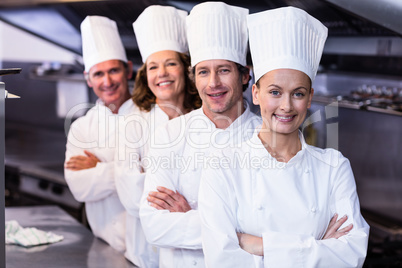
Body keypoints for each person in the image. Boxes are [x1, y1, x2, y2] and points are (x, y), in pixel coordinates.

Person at [198, 6, 370, 268]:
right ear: (255, 94)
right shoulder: (222, 165)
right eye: (275, 92)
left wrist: (260, 246)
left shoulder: (334, 167)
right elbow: (222, 260)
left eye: (298, 93)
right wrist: (319, 248)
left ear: (310, 97)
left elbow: (352, 255)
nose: (287, 106)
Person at [139, 2, 261, 267]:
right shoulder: (171, 133)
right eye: (204, 72)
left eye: (224, 70)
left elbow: (274, 226)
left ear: (245, 76)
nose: (213, 83)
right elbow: (154, 226)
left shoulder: (268, 137)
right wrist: (241, 234)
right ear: (194, 78)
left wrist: (190, 217)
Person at [114, 5, 201, 267]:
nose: (161, 73)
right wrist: (187, 196)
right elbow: (130, 197)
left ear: (186, 70)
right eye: (152, 67)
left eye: (170, 64)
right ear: (145, 75)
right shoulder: (133, 119)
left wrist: (150, 172)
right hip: (142, 254)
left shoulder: (205, 119)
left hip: (196, 254)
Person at [64, 15, 135, 254]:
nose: (107, 81)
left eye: (114, 70)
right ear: (88, 79)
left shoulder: (151, 117)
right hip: (103, 245)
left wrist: (99, 167)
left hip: (146, 250)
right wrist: (128, 172)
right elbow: (78, 187)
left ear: (128, 70)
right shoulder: (81, 128)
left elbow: (155, 178)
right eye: (98, 74)